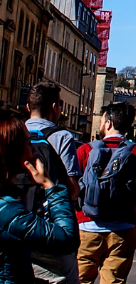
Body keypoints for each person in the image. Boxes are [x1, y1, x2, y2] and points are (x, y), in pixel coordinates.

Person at [76, 103, 136, 284]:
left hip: (86, 227)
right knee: (114, 280)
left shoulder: (85, 150)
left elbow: (72, 189)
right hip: (122, 228)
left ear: (108, 123)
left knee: (81, 280)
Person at [0, 110, 79, 283]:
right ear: (13, 151)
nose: (34, 149)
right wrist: (49, 185)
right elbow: (67, 238)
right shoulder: (7, 212)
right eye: (29, 144)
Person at [25, 82, 80, 284]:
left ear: (28, 107)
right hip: (49, 228)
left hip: (15, 227)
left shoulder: (13, 133)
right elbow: (72, 190)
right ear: (55, 107)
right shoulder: (62, 137)